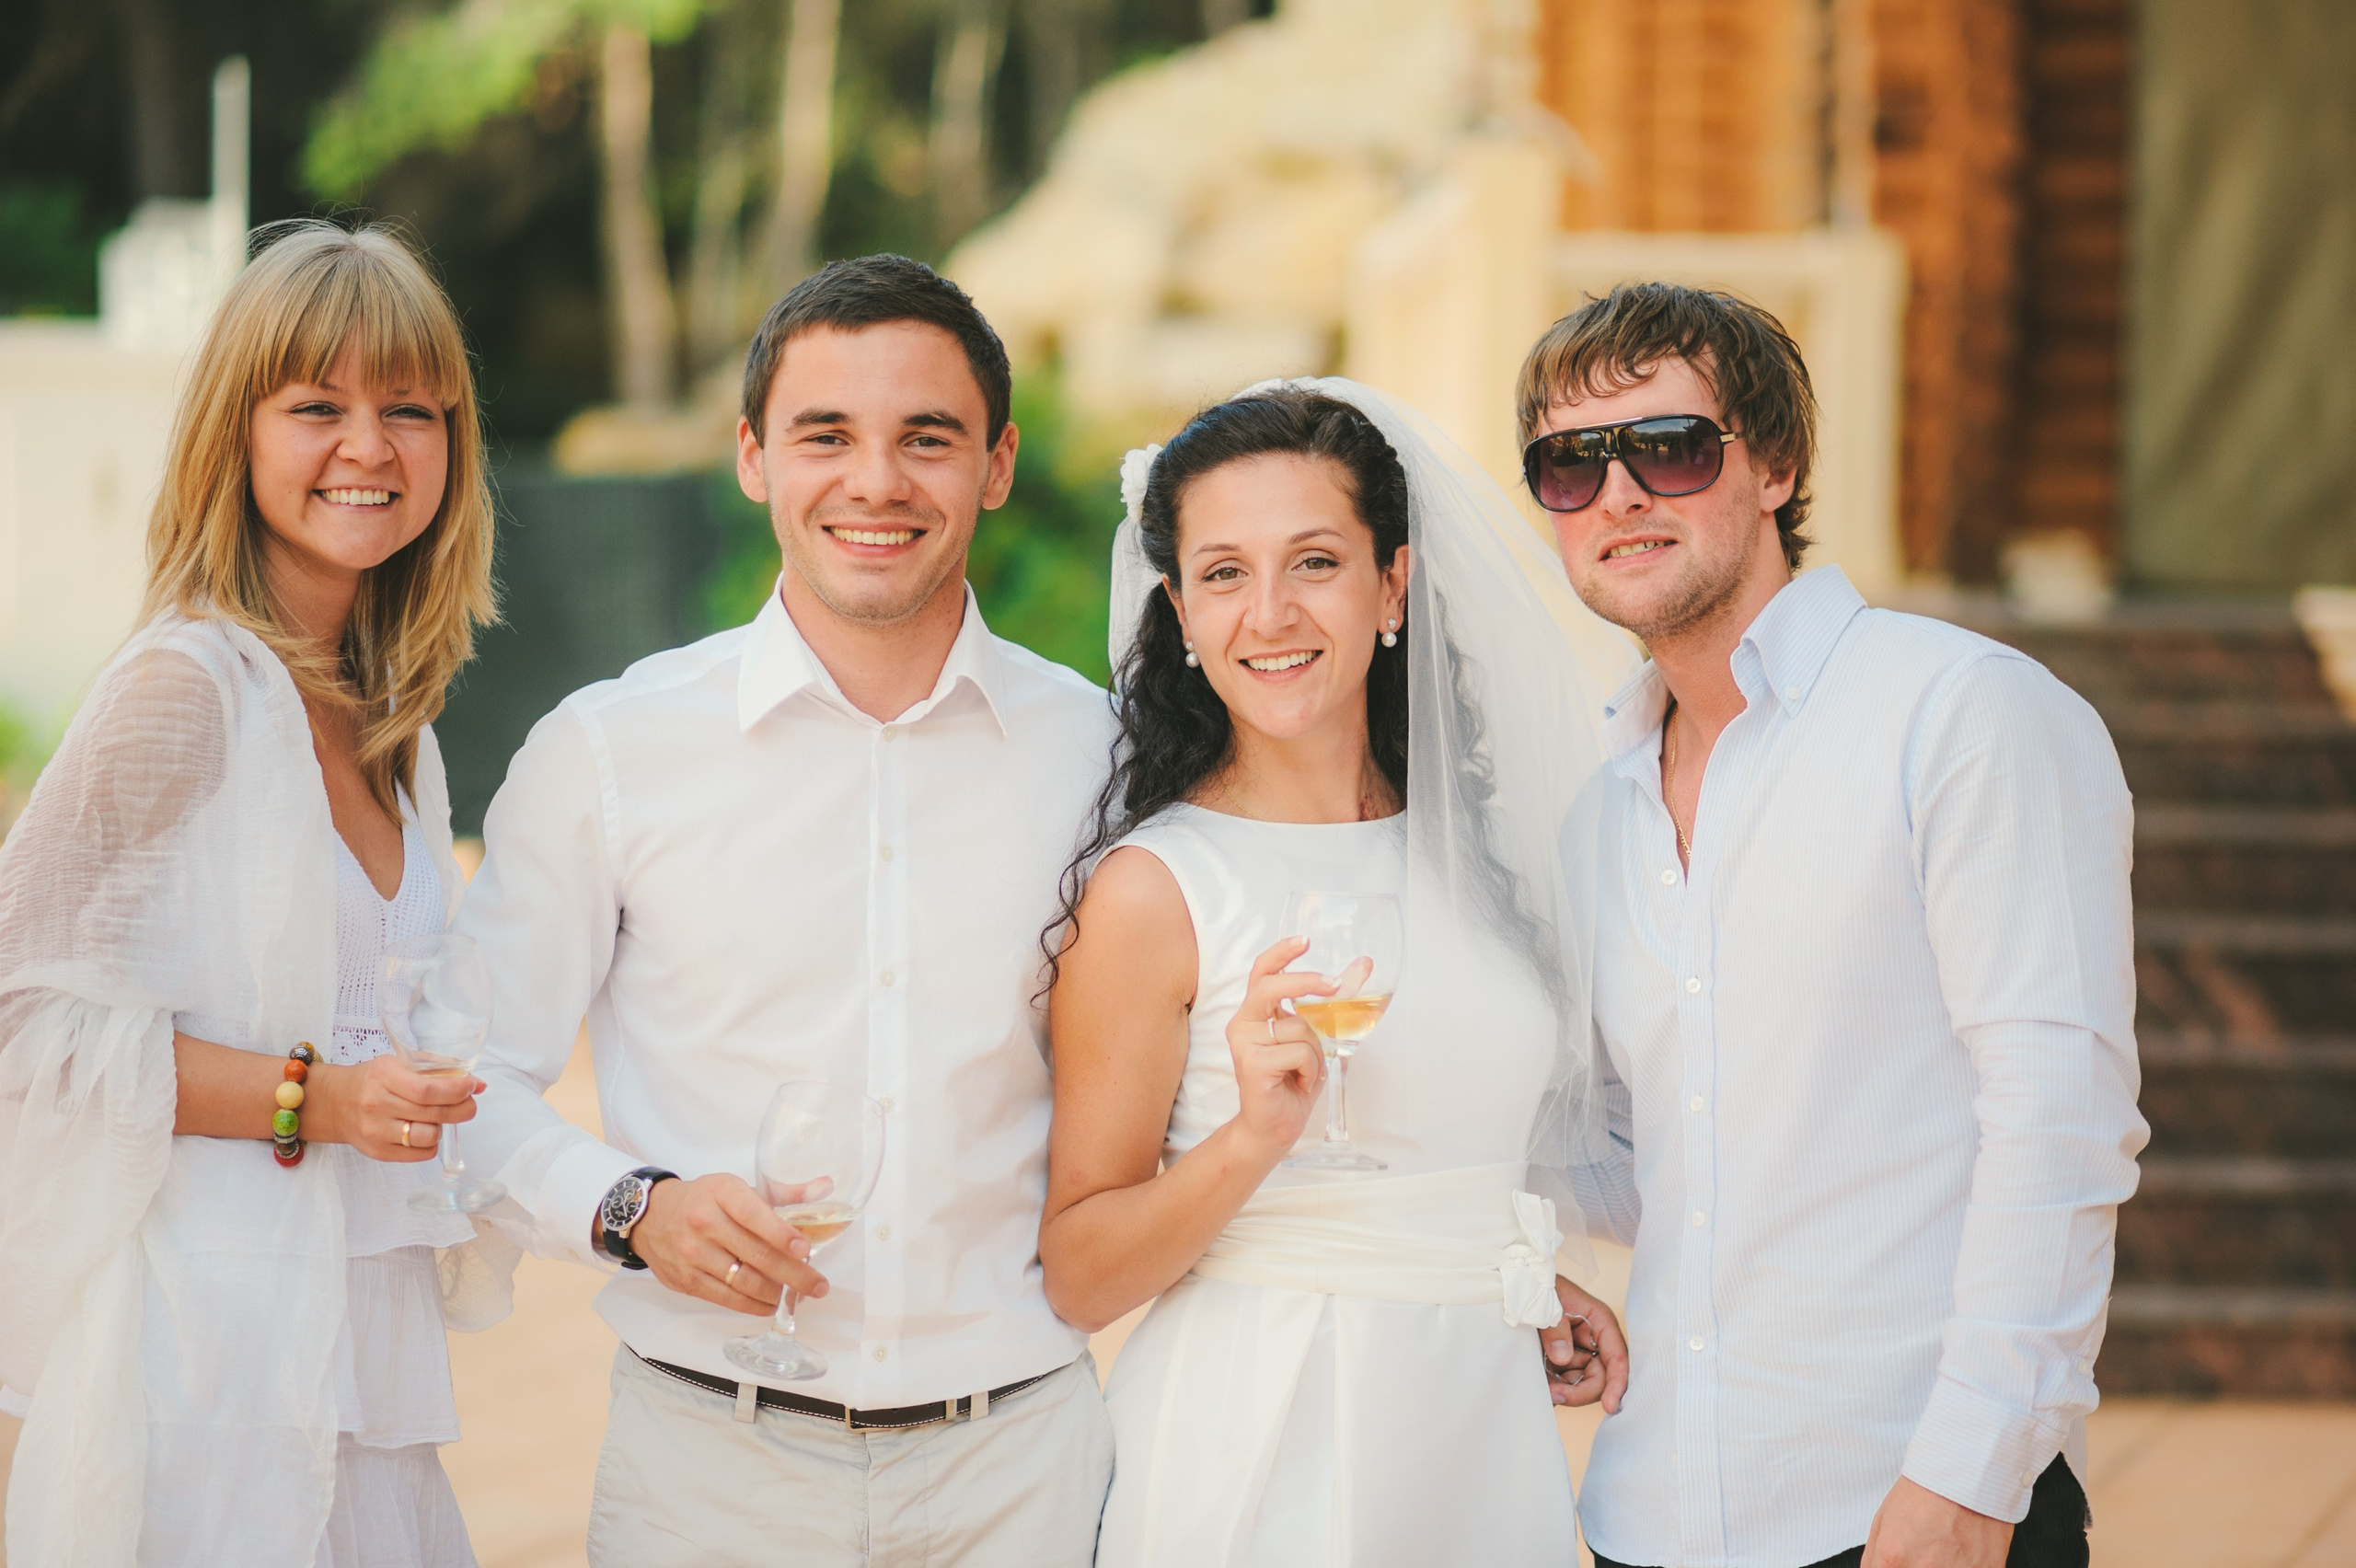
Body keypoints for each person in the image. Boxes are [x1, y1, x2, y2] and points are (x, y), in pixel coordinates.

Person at [451, 255, 1114, 1566]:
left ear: (996, 463)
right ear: (753, 457)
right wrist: (630, 1207)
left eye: (927, 437)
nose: (876, 482)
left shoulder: (1105, 759)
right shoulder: (607, 753)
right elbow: (464, 1077)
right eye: (827, 436)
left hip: (1022, 1470)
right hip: (707, 1472)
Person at [1521, 282, 2146, 1568]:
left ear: (1778, 466)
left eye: (1673, 446)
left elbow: (2060, 1123)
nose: (1622, 494)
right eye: (1573, 465)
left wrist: (1973, 1476)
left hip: (1907, 1506)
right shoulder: (1596, 815)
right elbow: (1659, 1165)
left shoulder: (1962, 716)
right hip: (1650, 1515)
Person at [1043, 380, 1640, 1568]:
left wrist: (1517, 1279)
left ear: (1393, 587)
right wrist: (1253, 1137)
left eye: (1314, 561)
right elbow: (1079, 1272)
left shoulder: (1482, 857)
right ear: (1181, 610)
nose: (1269, 613)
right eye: (1222, 573)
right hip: (1266, 1447)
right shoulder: (1159, 891)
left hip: (1477, 1435)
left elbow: (1449, 1156)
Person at [0, 219, 513, 1566]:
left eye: (412, 408)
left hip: (362, 1359)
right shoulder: (186, 688)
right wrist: (323, 1101)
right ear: (236, 433)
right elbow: (17, 1021)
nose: (370, 445)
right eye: (316, 406)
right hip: (203, 1379)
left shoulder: (401, 725)